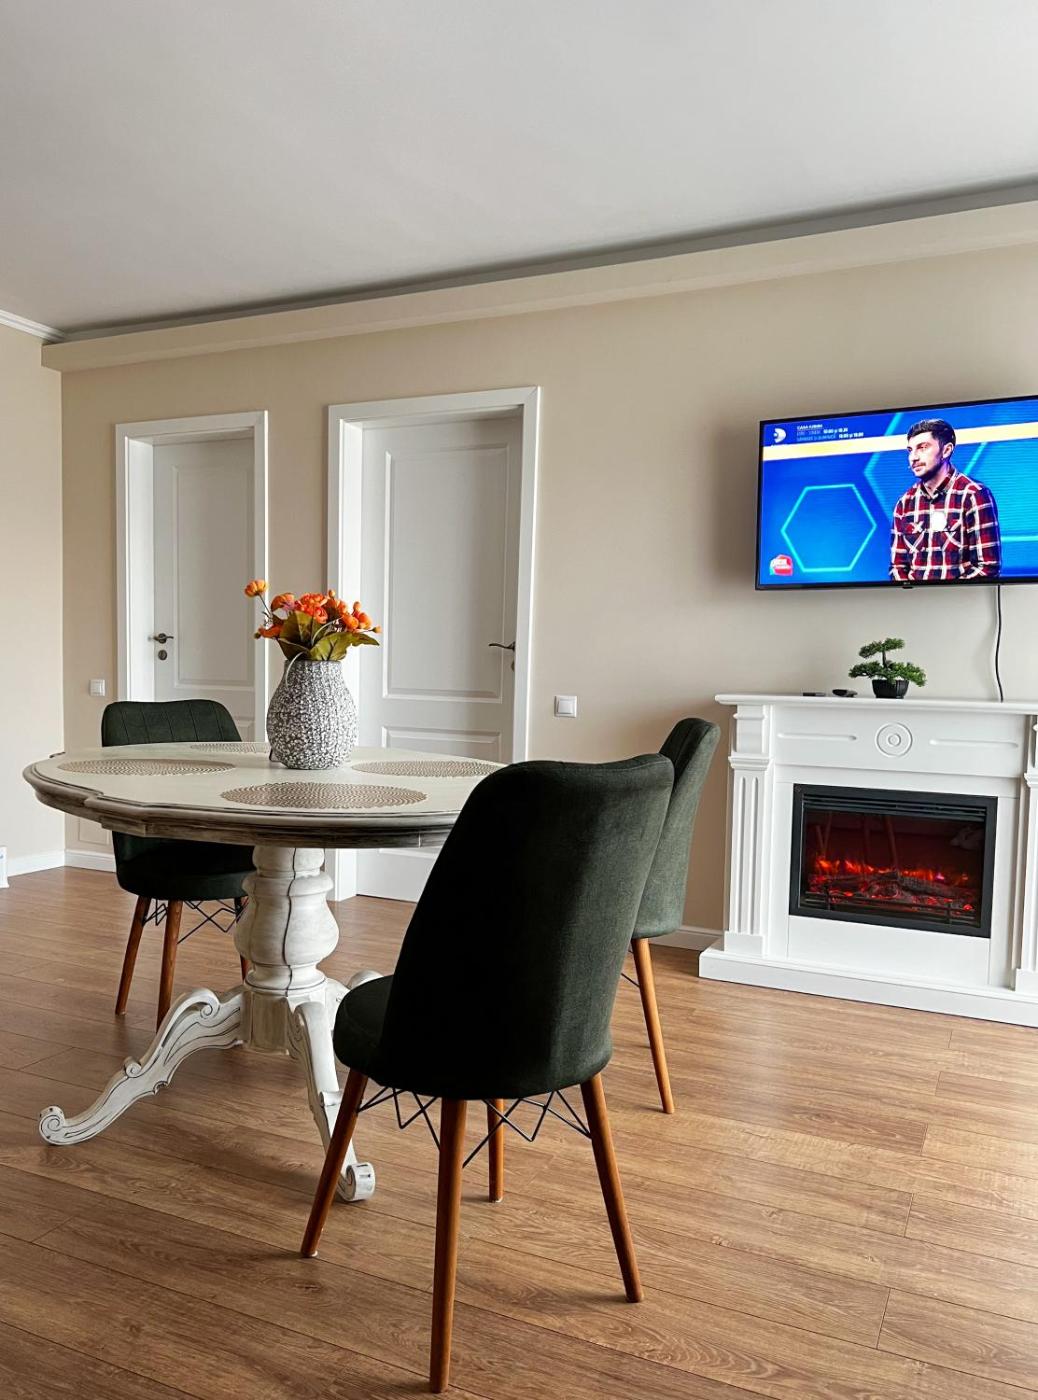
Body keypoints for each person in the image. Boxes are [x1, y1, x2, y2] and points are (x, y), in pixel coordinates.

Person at [890, 418, 1001, 581]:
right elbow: (898, 567)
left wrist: (946, 593)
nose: (913, 457)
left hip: (960, 596)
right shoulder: (904, 503)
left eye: (922, 448)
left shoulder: (973, 495)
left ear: (946, 450)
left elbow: (987, 567)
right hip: (913, 596)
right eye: (910, 450)